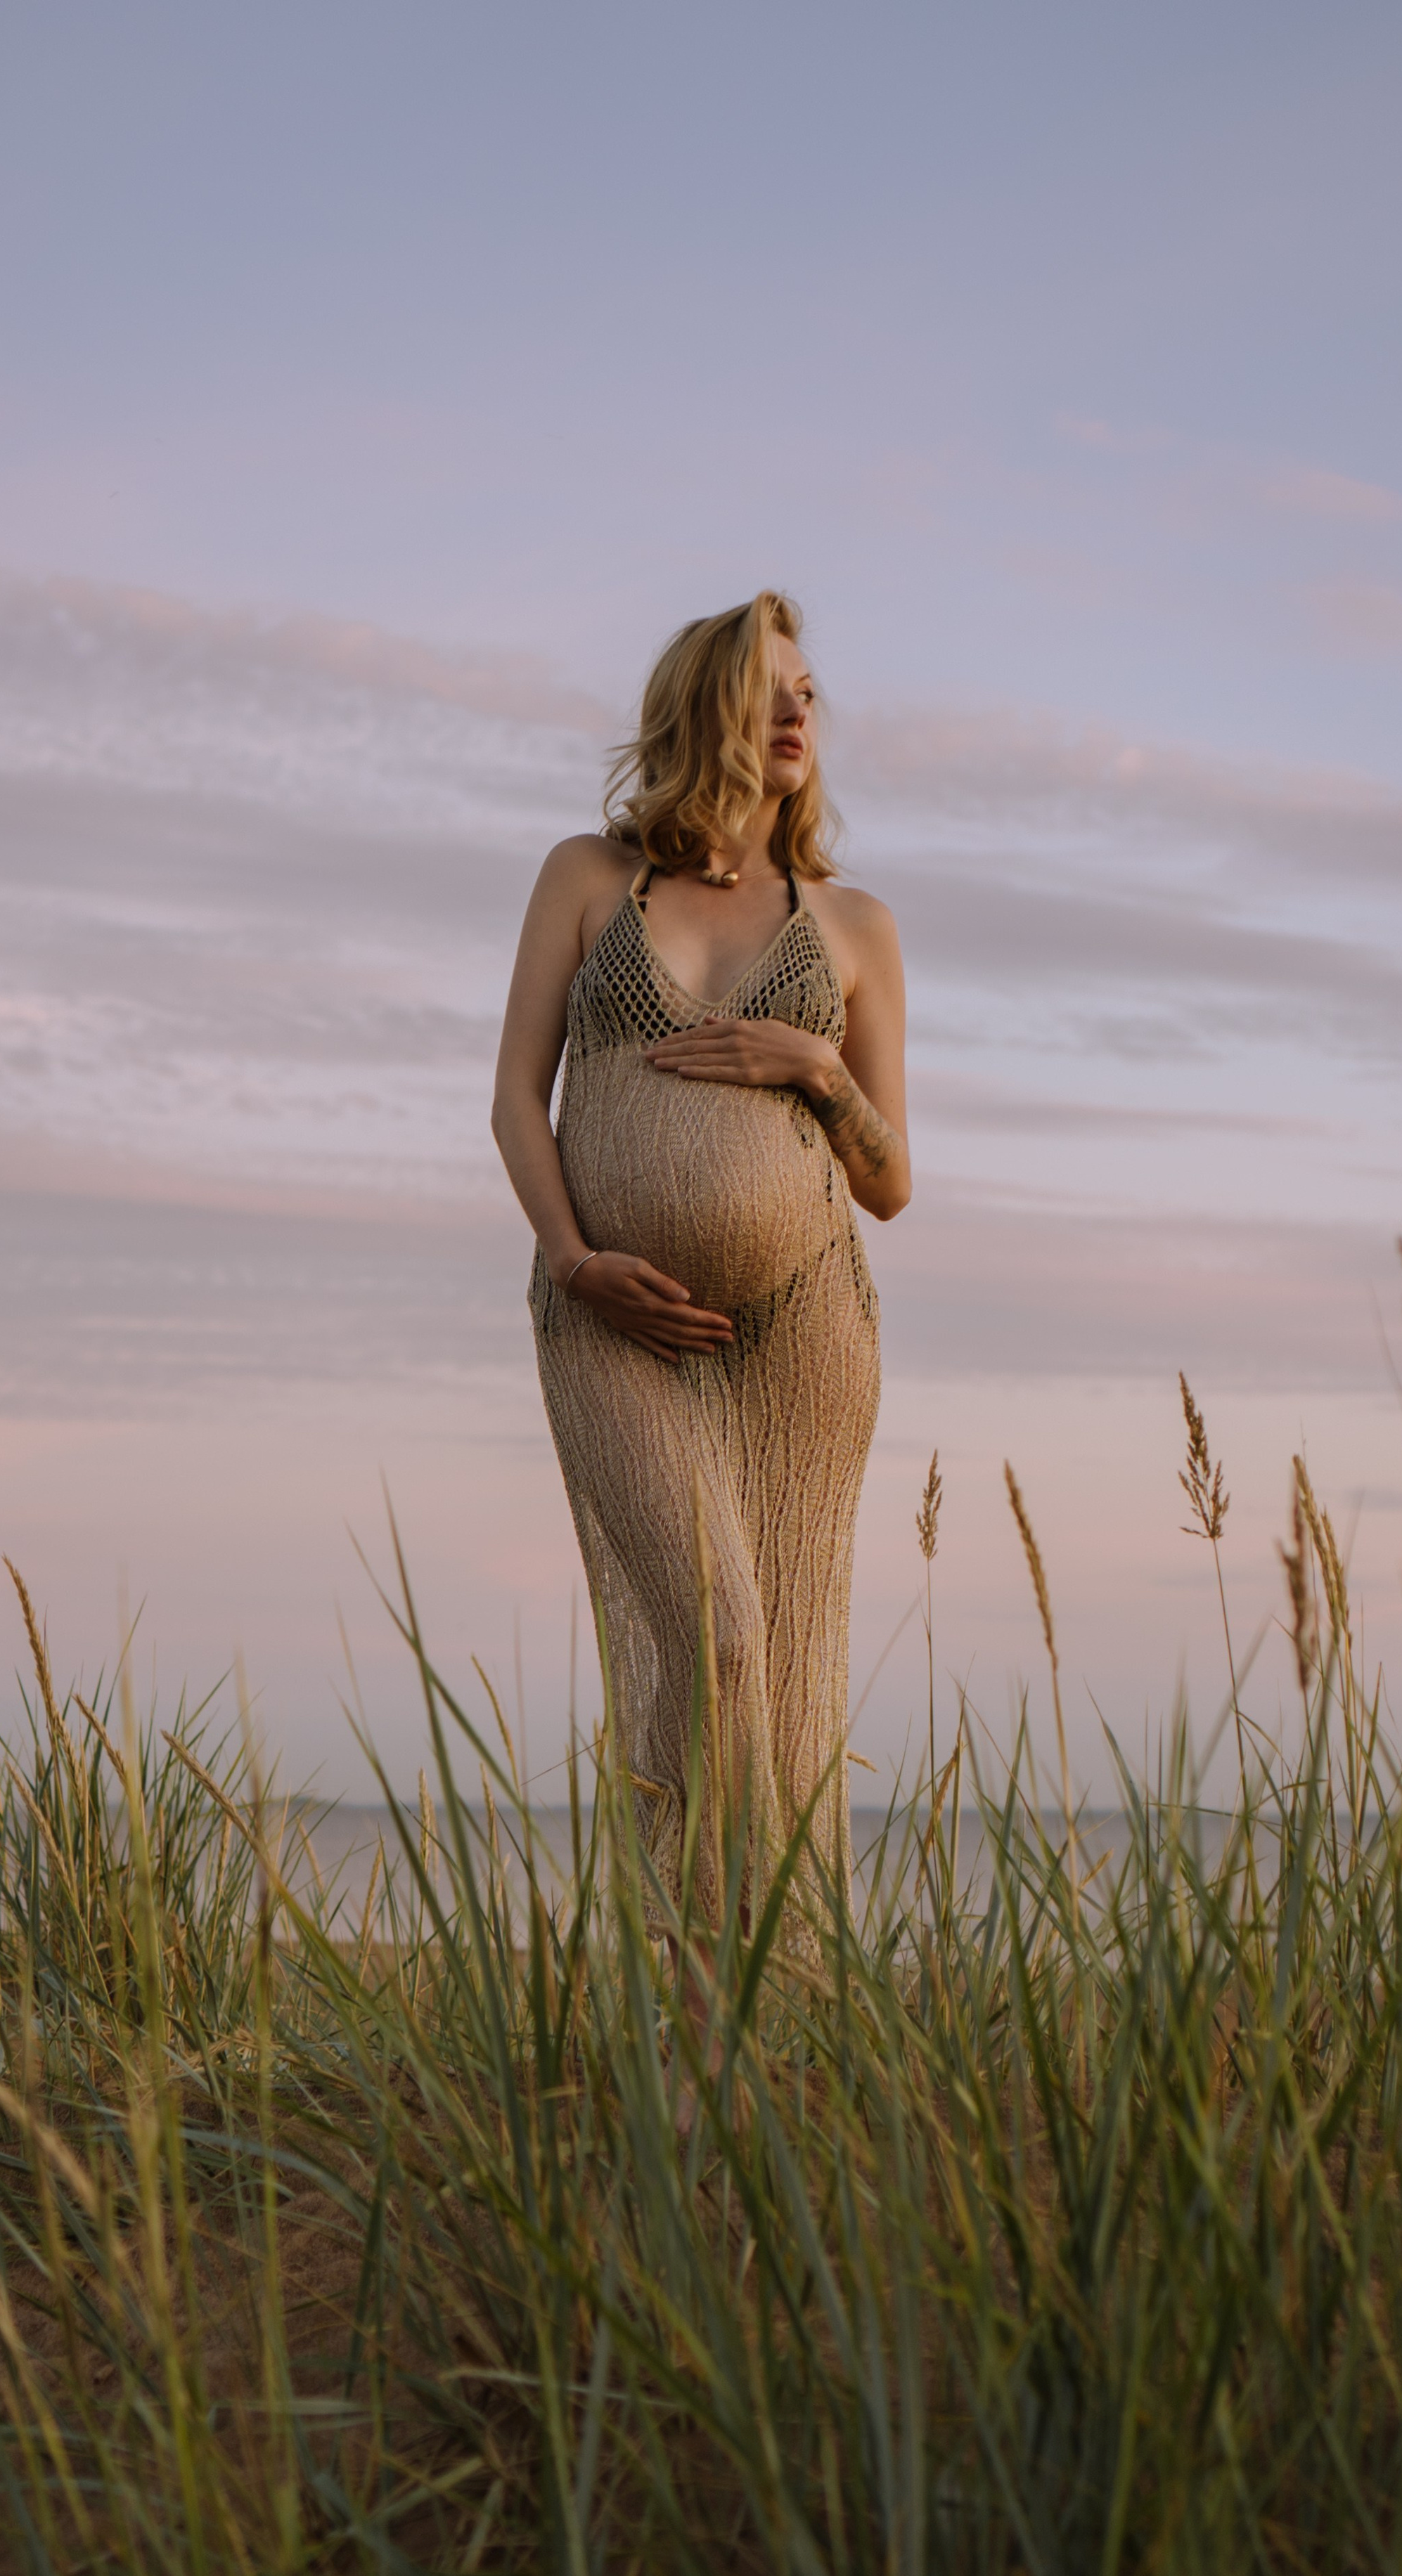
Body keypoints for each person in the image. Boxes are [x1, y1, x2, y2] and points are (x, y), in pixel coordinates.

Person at [491, 590, 909, 1983]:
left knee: (776, 1680)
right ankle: (683, 1976)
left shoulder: (850, 925)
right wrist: (571, 1258)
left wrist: (816, 1068)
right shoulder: (584, 879)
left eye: (808, 691)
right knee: (714, 1637)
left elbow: (889, 1181)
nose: (799, 712)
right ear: (698, 712)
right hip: (606, 1312)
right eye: (765, 688)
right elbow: (511, 1101)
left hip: (800, 1318)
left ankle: (768, 2000)